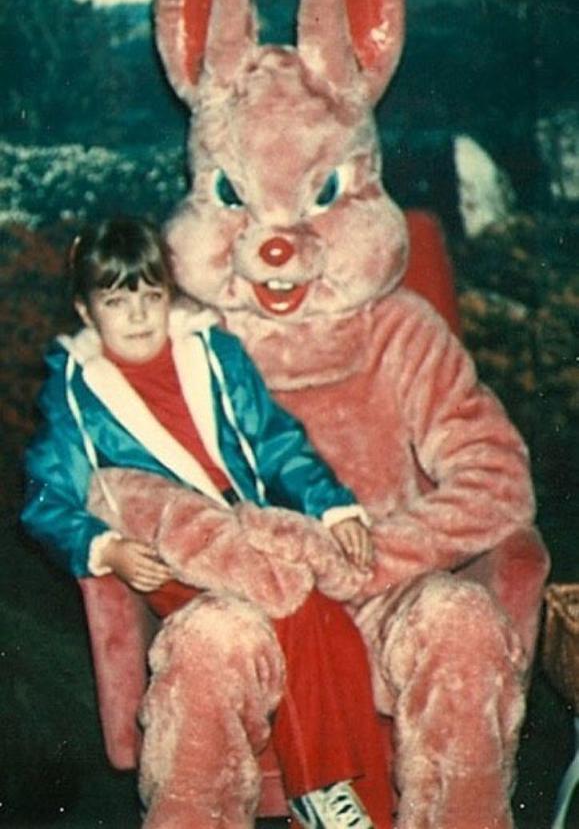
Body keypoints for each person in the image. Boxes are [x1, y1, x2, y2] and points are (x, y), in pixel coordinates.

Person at [22, 217, 393, 829]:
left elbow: (275, 443)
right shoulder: (75, 392)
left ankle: (363, 810)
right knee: (294, 602)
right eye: (117, 301)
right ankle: (320, 791)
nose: (138, 316)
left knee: (331, 624)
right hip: (175, 550)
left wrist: (331, 503)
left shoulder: (213, 352)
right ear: (87, 314)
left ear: (171, 295)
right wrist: (104, 548)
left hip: (241, 527)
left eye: (150, 296)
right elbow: (42, 496)